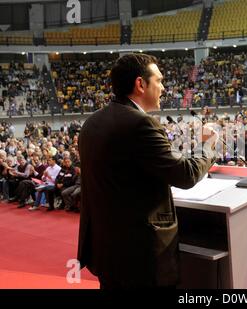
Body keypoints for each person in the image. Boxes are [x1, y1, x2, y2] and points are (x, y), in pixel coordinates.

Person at [77, 54, 217, 289]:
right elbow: (185, 174)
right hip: (140, 255)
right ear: (140, 84)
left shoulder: (91, 123)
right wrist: (208, 146)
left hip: (106, 249)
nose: (163, 87)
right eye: (159, 81)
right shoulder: (140, 124)